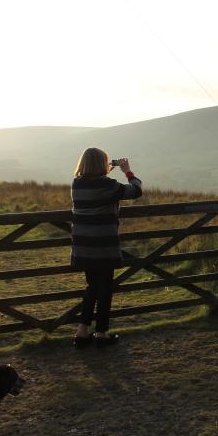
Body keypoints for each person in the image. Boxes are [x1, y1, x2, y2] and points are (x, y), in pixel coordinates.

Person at [71, 148, 142, 348]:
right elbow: (136, 190)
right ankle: (101, 334)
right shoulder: (108, 185)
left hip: (83, 246)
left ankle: (82, 332)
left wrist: (107, 168)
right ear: (102, 164)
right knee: (105, 289)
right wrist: (127, 171)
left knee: (92, 287)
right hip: (103, 245)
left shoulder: (77, 184)